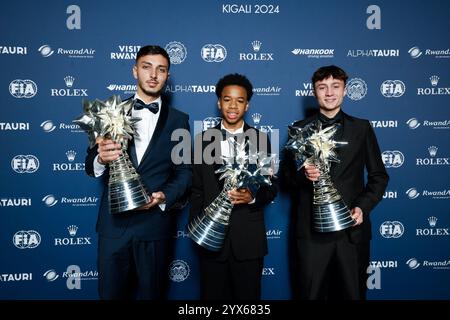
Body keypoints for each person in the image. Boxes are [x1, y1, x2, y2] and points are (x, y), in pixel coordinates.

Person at [84, 45, 191, 299]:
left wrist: (163, 196)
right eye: (147, 67)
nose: (153, 74)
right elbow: (89, 164)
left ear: (167, 75)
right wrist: (100, 157)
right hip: (114, 227)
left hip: (155, 228)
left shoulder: (180, 120)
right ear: (135, 71)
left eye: (161, 69)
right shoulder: (110, 112)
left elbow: (185, 172)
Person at [281, 65, 388, 300]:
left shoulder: (362, 128)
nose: (329, 93)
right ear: (314, 92)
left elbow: (379, 176)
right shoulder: (298, 130)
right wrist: (303, 175)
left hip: (351, 233)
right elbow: (285, 179)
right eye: (322, 87)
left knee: (352, 295)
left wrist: (362, 207)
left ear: (345, 91)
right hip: (311, 236)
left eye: (335, 86)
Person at [189, 73, 278, 300]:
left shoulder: (261, 140)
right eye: (227, 99)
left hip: (248, 242)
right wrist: (200, 229)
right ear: (219, 102)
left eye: (240, 100)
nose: (233, 106)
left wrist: (253, 197)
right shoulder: (202, 141)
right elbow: (196, 190)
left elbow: (271, 187)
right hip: (211, 242)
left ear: (247, 105)